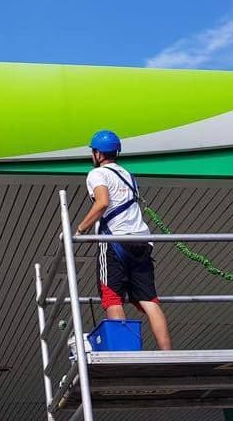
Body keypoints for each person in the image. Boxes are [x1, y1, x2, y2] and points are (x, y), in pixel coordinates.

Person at [76, 129, 172, 350]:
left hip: (115, 241)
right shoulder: (128, 176)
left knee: (112, 297)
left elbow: (102, 202)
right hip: (142, 242)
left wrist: (81, 230)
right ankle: (167, 354)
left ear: (98, 153)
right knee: (149, 300)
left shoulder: (97, 174)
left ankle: (123, 352)